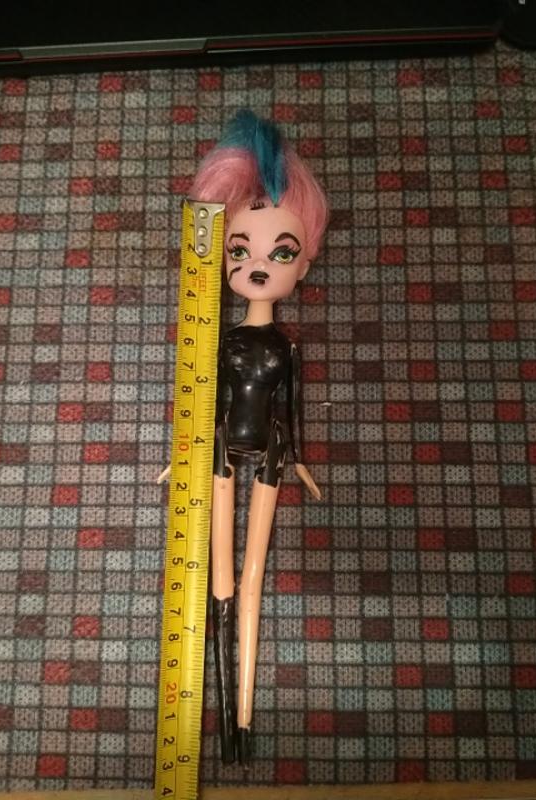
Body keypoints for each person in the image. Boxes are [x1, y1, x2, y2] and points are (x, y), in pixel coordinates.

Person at [166, 109, 328, 765]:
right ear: (220, 259)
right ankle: (224, 715)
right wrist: (177, 454)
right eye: (240, 250)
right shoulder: (219, 337)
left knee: (254, 574)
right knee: (219, 578)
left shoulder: (285, 347)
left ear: (303, 266)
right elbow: (204, 398)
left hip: (272, 455)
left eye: (280, 253)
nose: (258, 265)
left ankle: (244, 715)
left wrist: (302, 461)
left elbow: (292, 407)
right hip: (216, 454)